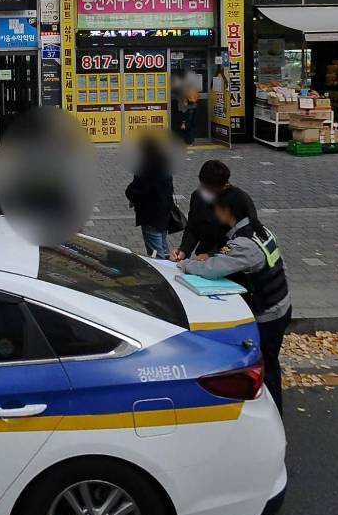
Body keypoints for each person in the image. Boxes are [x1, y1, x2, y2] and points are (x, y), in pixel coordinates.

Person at [181, 186, 292, 411]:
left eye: (218, 210)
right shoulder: (260, 231)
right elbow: (233, 258)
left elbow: (212, 269)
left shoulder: (244, 243)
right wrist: (212, 254)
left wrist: (186, 265)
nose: (216, 215)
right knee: (269, 363)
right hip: (280, 304)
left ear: (228, 212)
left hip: (269, 314)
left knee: (267, 369)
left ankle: (273, 416)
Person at [171, 159, 257, 262]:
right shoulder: (197, 197)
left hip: (230, 260)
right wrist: (184, 250)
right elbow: (193, 228)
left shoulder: (240, 201)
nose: (205, 191)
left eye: (209, 189)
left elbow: (244, 240)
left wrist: (212, 255)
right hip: (202, 258)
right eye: (203, 186)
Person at [125, 135, 176, 259]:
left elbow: (139, 189)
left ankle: (162, 274)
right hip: (164, 213)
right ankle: (169, 266)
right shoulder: (164, 163)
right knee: (162, 246)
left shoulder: (146, 168)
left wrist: (130, 193)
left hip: (151, 215)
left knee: (156, 253)